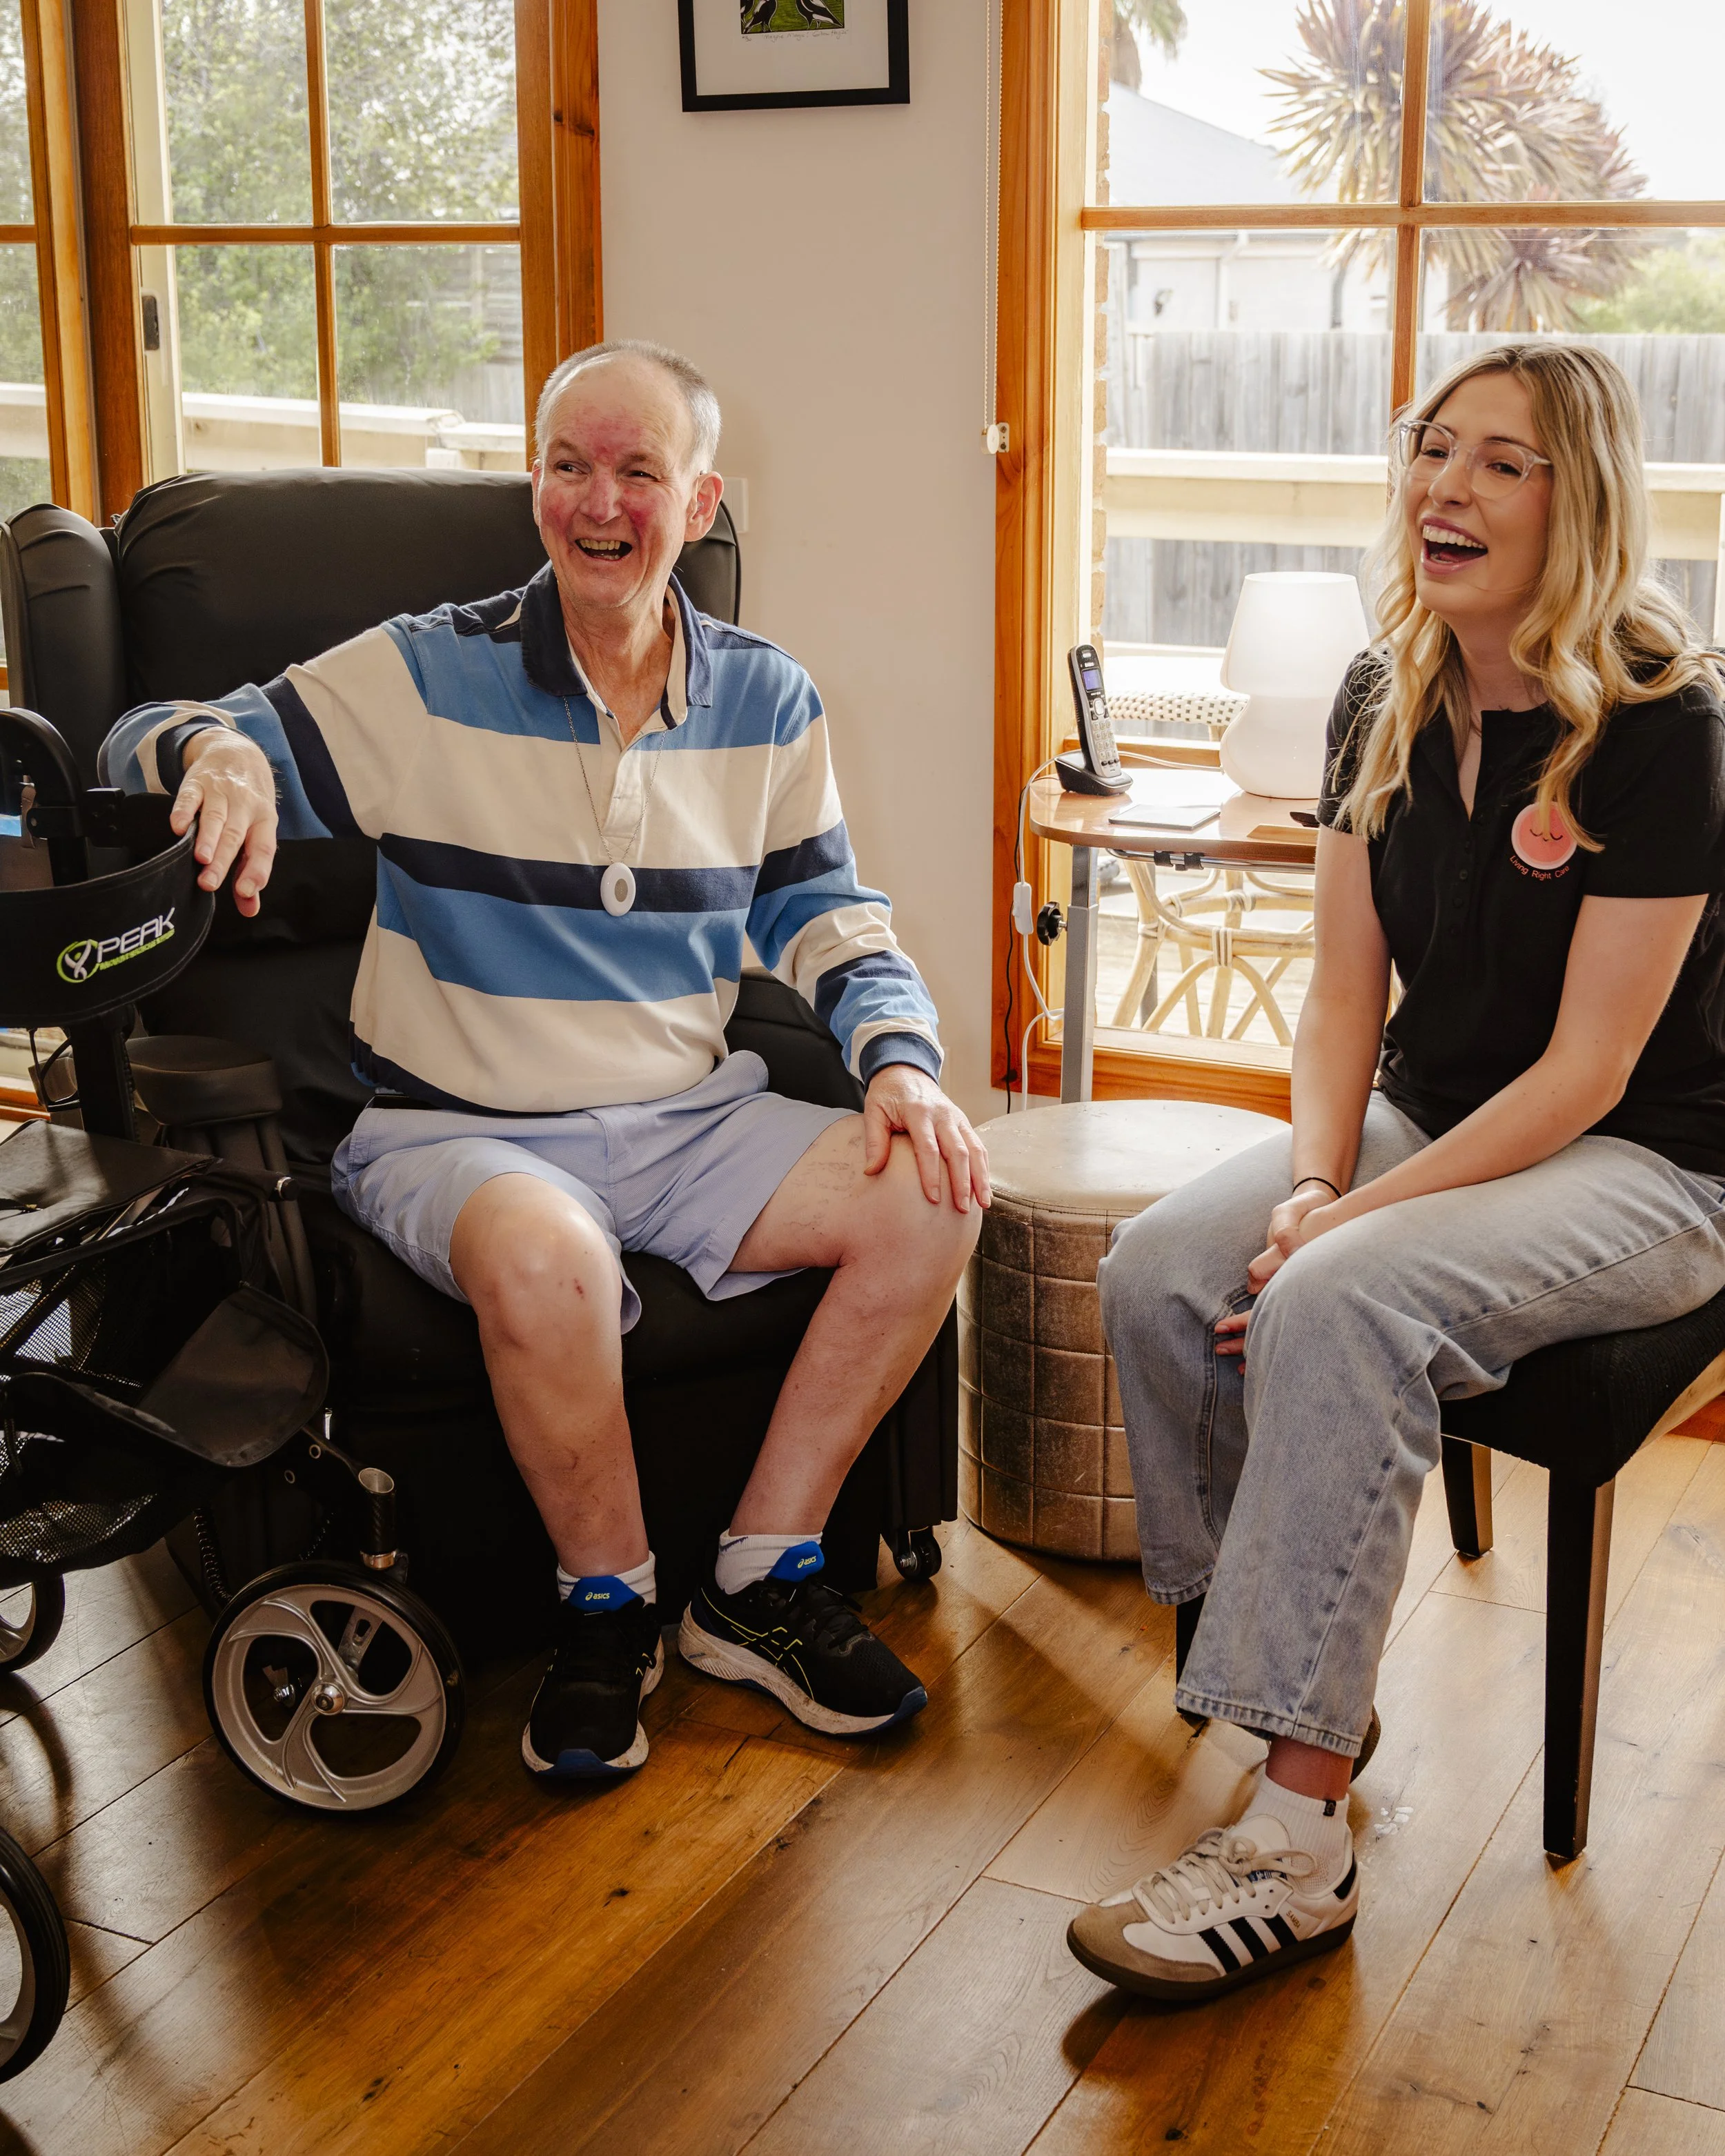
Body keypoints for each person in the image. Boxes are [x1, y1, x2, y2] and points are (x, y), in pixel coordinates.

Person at [99, 338, 988, 1785]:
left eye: (638, 470)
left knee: (937, 1186)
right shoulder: (429, 675)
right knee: (548, 1256)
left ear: (696, 505)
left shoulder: (766, 698)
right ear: (533, 486)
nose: (598, 499)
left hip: (688, 1120)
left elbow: (823, 910)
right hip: (458, 1129)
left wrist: (899, 1063)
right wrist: (220, 757)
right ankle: (607, 1605)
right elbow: (147, 728)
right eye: (568, 464)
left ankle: (755, 1578)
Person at [1068, 342, 1725, 2002]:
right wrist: (1305, 1180)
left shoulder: (1662, 725)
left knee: (1339, 1303)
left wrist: (1338, 1231)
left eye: (1500, 462)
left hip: (1653, 1158)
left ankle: (1295, 1845)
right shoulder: (1387, 685)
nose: (1445, 486)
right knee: (1154, 1269)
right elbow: (1343, 989)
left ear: (1574, 499)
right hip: (1438, 1119)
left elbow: (1587, 1073)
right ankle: (1301, 1669)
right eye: (1435, 450)